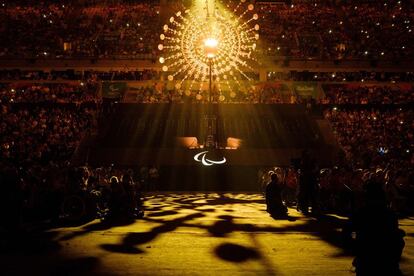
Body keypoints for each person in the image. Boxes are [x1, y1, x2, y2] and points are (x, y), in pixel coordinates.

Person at [343, 178, 405, 276]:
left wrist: (356, 247)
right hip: (385, 259)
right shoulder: (389, 213)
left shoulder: (361, 213)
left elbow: (346, 232)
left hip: (367, 257)